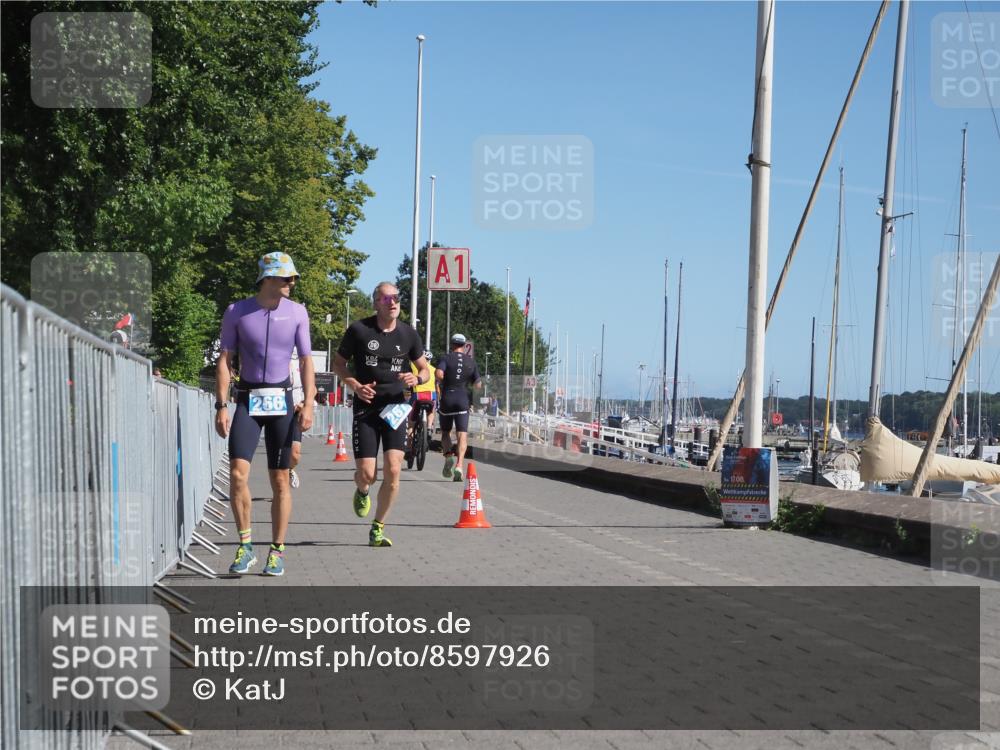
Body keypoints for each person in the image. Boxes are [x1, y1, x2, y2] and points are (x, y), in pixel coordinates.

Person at [215, 252, 315, 577]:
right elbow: (225, 359)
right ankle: (245, 545)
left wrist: (310, 402)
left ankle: (277, 550)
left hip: (282, 401)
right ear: (268, 279)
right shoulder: (237, 311)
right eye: (287, 278)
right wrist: (221, 404)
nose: (293, 283)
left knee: (280, 479)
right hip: (248, 398)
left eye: (293, 278)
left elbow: (305, 360)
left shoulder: (298, 312)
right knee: (238, 475)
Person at [331, 282, 430, 547]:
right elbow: (338, 364)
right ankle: (362, 490)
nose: (393, 303)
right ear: (376, 302)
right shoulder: (359, 330)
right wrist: (354, 385)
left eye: (396, 298)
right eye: (386, 299)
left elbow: (425, 370)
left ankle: (378, 526)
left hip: (396, 407)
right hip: (367, 407)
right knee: (368, 474)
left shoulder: (409, 335)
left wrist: (416, 377)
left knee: (394, 470)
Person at [436, 333, 483, 482]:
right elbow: (478, 384)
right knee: (462, 434)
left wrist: (446, 379)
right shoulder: (471, 362)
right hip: (463, 399)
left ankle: (448, 455)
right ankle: (459, 465)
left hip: (447, 398)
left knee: (445, 432)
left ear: (452, 344)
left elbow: (439, 374)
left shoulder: (446, 358)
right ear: (464, 345)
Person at [405, 350, 437, 461]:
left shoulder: (414, 366)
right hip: (431, 396)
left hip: (417, 395)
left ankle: (409, 448)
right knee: (432, 411)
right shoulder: (434, 369)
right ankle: (429, 428)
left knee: (410, 424)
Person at [288, 348, 305, 489]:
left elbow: (313, 388)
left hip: (296, 411)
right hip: (278, 410)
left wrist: (304, 403)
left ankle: (289, 469)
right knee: (277, 453)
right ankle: (280, 490)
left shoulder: (302, 360)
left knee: (295, 454)